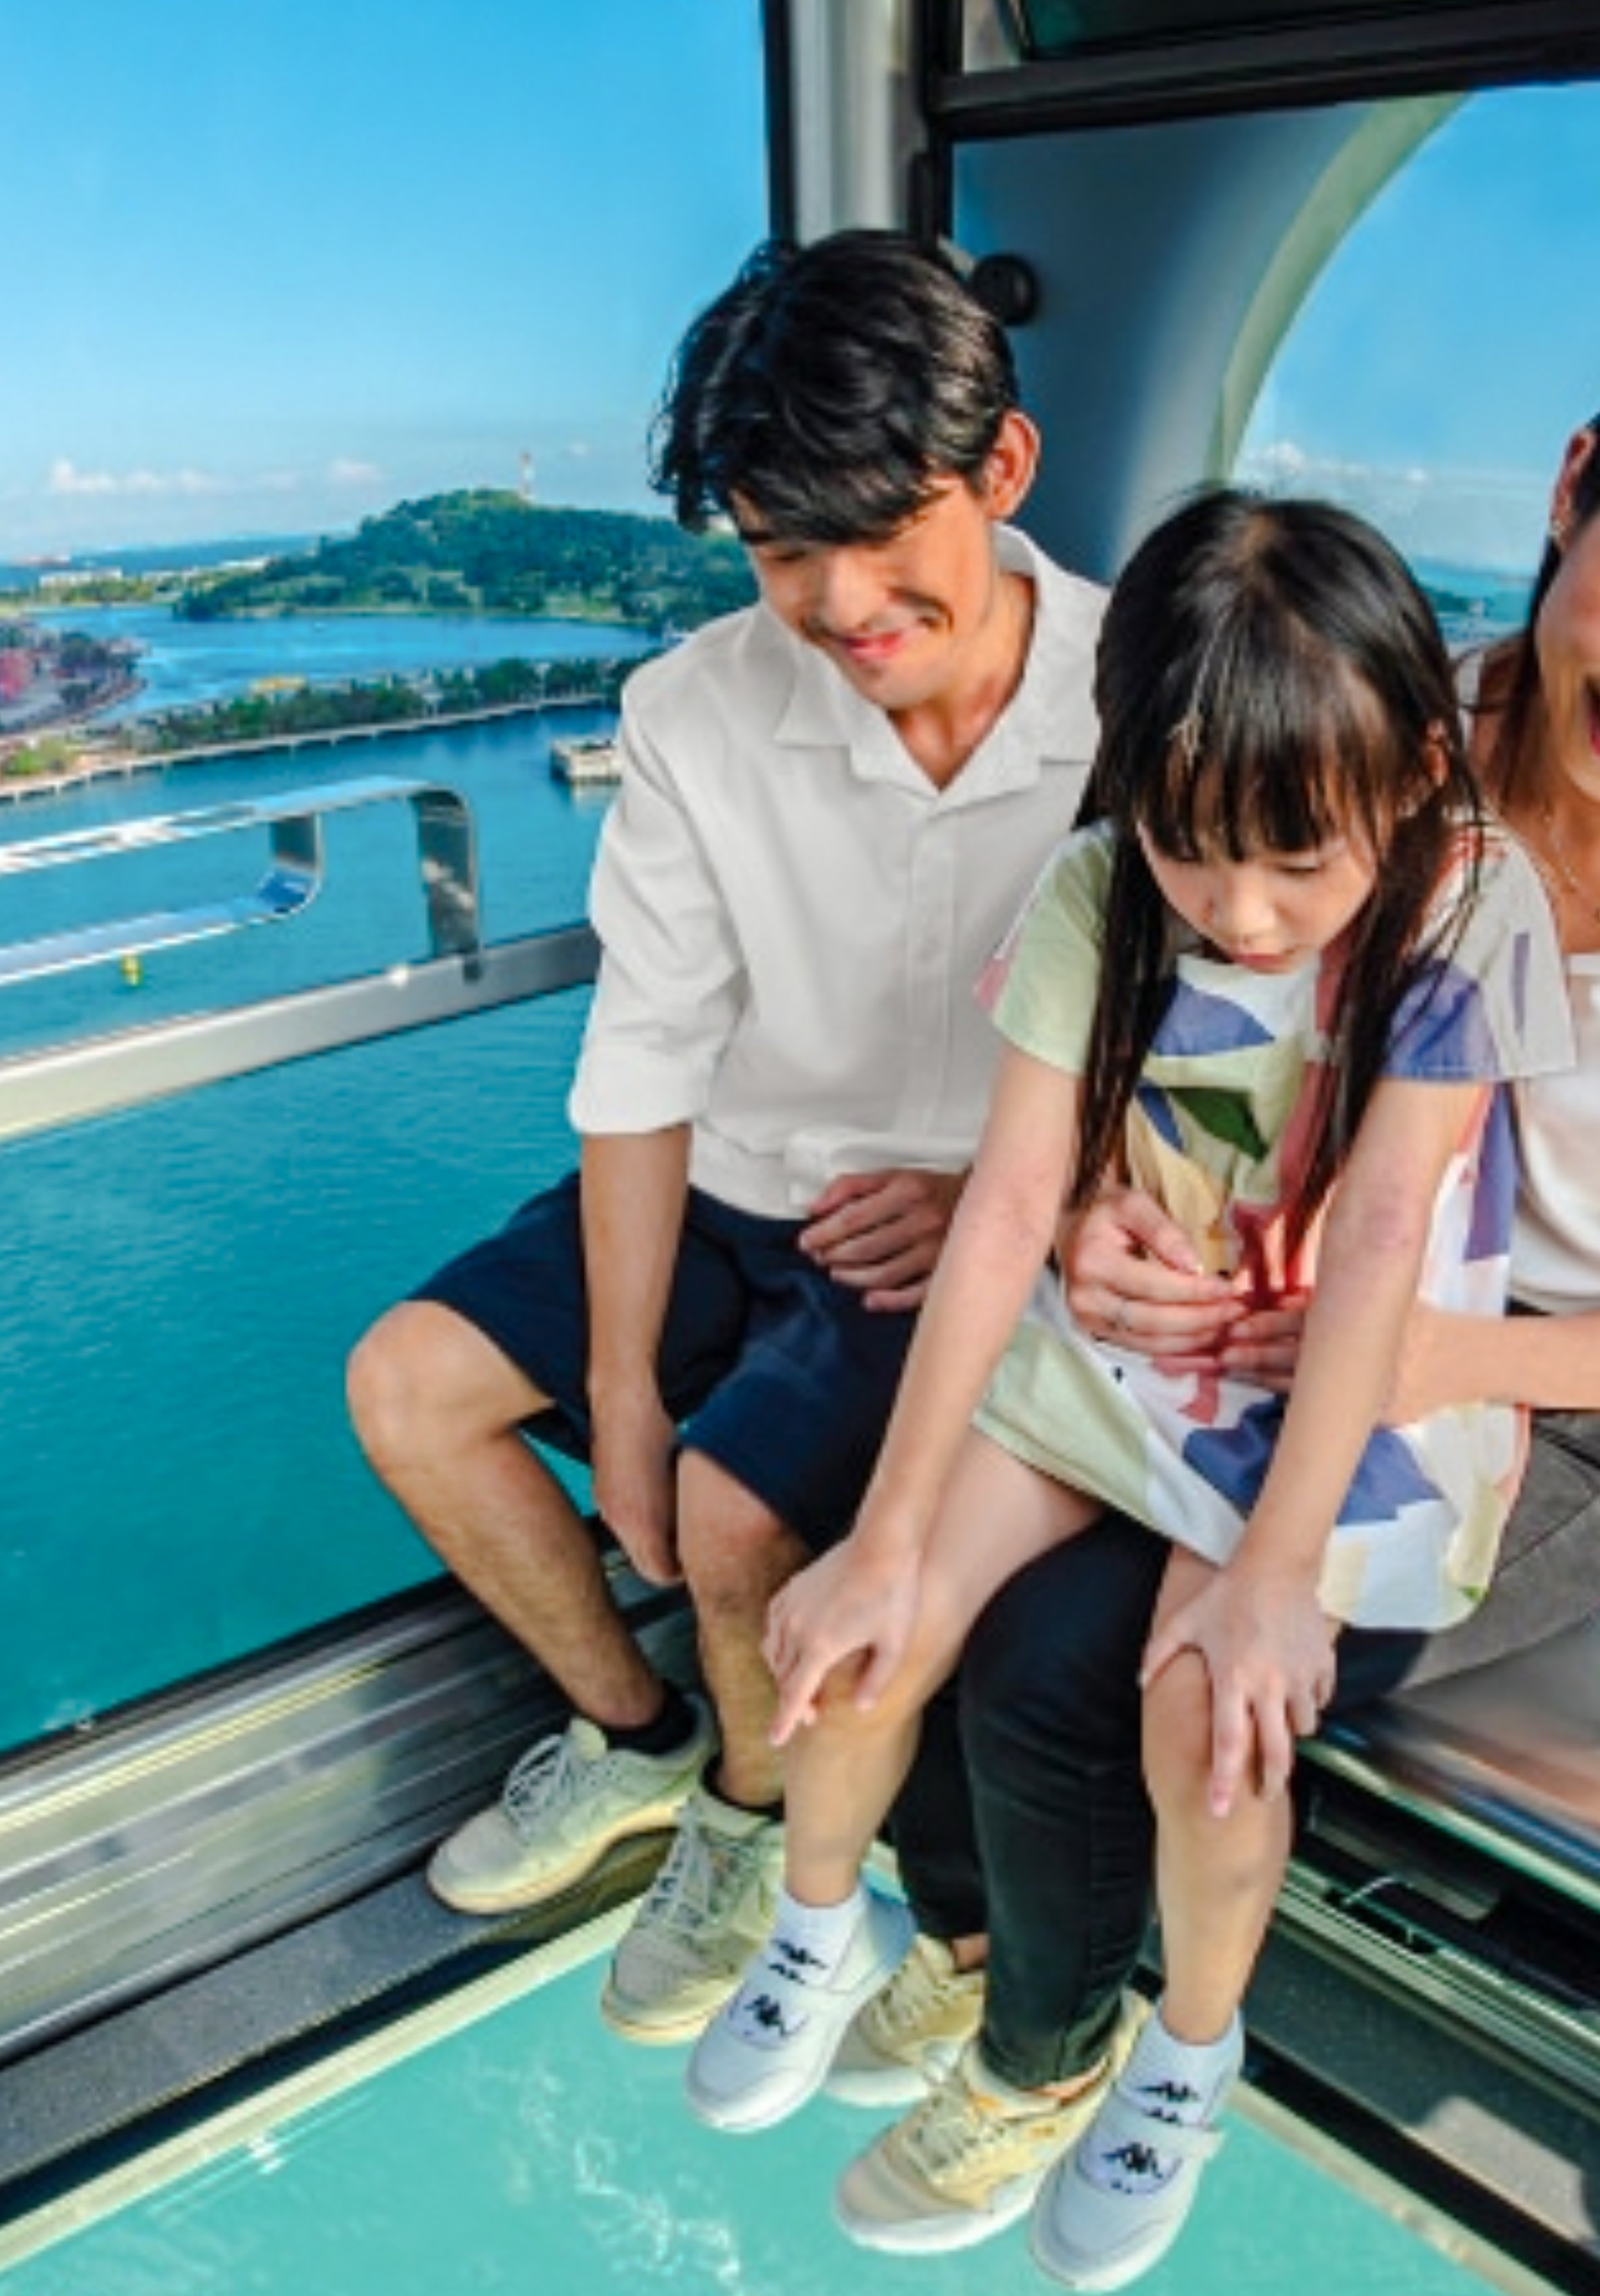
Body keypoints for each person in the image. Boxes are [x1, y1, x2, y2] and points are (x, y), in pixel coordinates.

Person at [833, 313, 1600, 2281]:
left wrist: (1430, 1355)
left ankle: (1080, 2051)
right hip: (1257, 1314)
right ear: (1566, 492)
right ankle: (995, 1975)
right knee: (949, 1577)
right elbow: (1147, 997)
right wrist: (1102, 1197)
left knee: (1108, 1684)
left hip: (1548, 1403)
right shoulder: (1353, 713)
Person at [676, 492, 1557, 2287]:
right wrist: (894, 1530)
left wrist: (1269, 1579)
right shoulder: (1099, 893)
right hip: (1133, 1344)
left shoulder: (1466, 903)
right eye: (1188, 846)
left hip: (1338, 1384)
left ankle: (1184, 2054)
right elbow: (1008, 1205)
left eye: (1296, 862)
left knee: (1199, 1712)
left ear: (1403, 778)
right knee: (873, 1607)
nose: (1236, 911)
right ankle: (820, 1922)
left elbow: (1385, 1231)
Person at [342, 230, 1105, 2042]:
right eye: (781, 551)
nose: (840, 603)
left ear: (1001, 473)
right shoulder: (689, 712)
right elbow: (644, 1055)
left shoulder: (1145, 684)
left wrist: (1023, 1196)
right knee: (408, 1391)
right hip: (735, 1180)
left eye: (881, 536)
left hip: (956, 1219)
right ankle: (640, 1734)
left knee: (732, 1512)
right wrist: (613, 1387)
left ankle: (751, 1825)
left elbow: (1234, 1016)